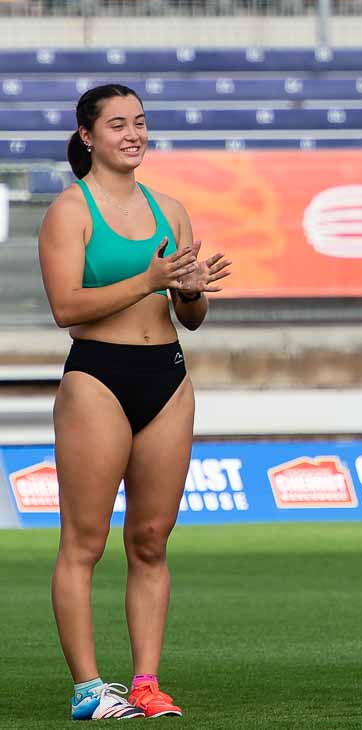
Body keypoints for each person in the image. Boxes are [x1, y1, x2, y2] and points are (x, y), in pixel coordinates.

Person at [38, 83, 232, 720]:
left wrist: (193, 291)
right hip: (98, 376)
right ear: (88, 136)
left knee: (151, 540)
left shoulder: (170, 209)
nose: (133, 133)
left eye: (141, 122)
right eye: (117, 124)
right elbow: (67, 308)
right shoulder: (71, 210)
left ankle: (146, 683)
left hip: (167, 377)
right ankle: (90, 689)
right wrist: (147, 278)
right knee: (85, 543)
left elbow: (191, 317)